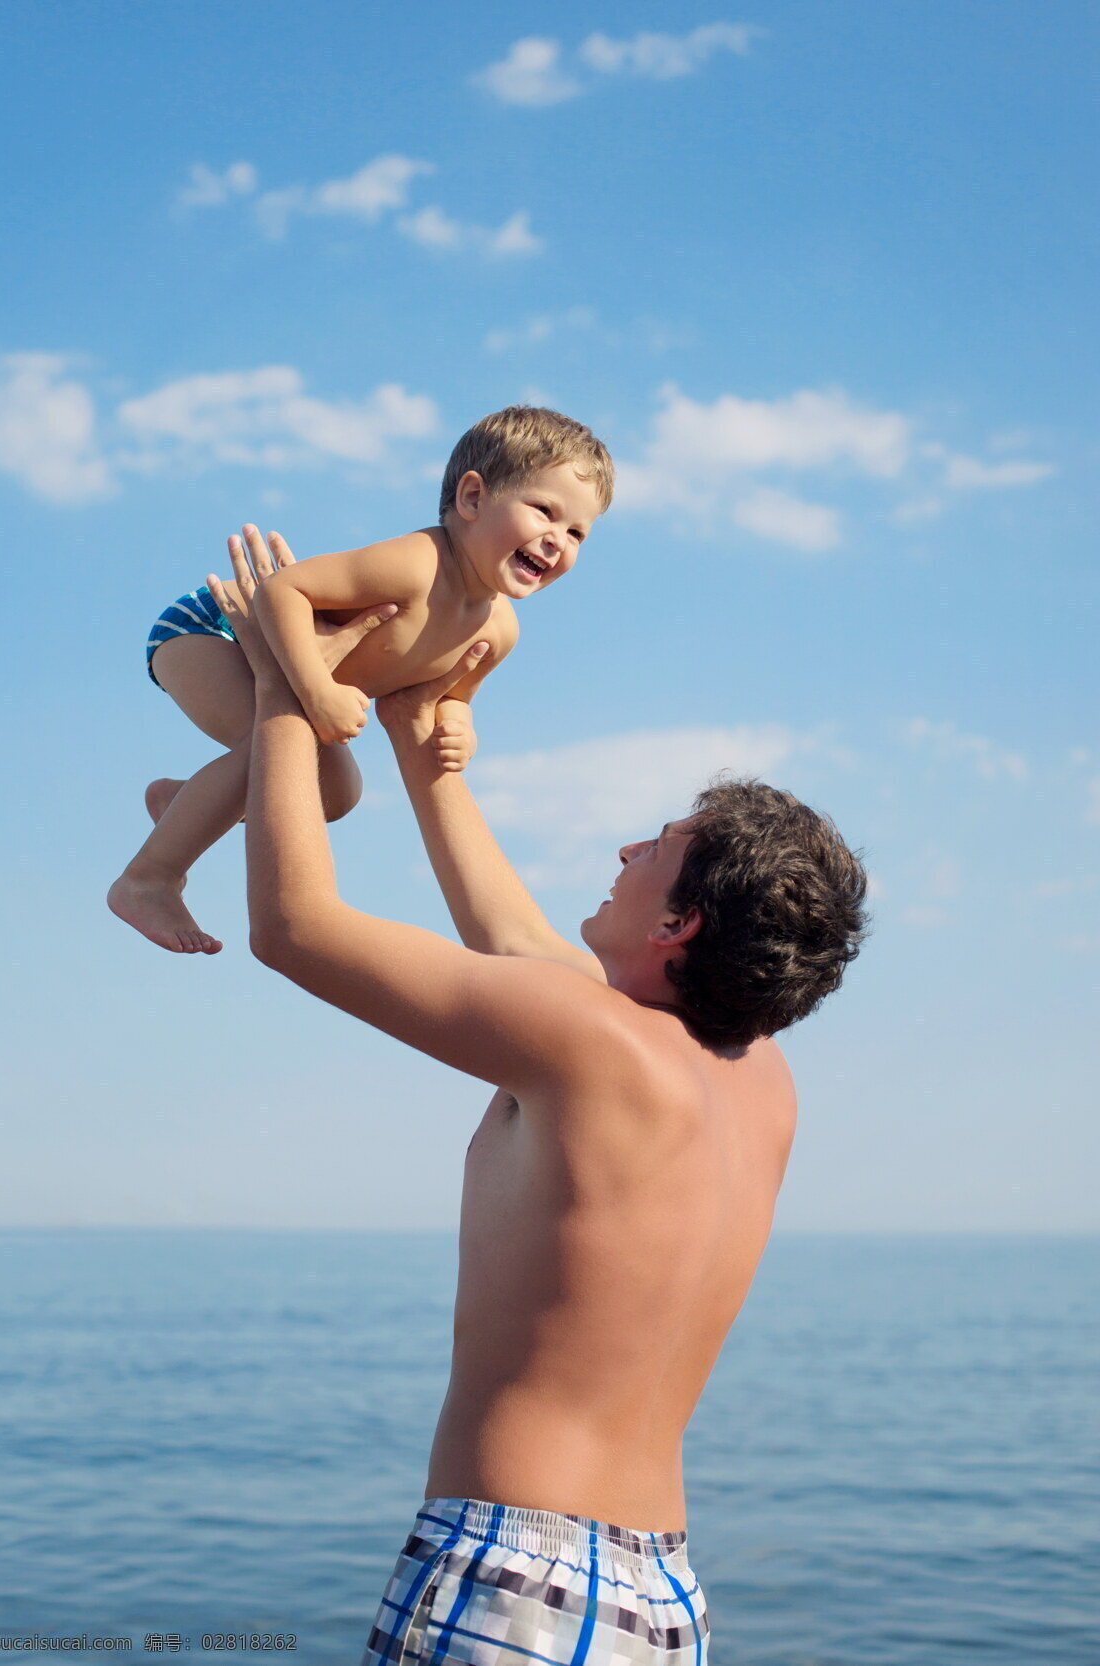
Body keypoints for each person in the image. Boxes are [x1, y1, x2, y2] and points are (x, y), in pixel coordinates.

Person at [208, 534, 870, 1664]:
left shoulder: (592, 1046)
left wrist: (283, 674)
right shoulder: (756, 1081)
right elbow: (518, 947)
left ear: (678, 925)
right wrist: (432, 757)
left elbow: (295, 928)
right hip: (659, 1596)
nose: (624, 846)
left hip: (512, 1580)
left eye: (656, 846)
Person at [107, 404, 612, 955]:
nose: (558, 540)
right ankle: (148, 878)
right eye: (543, 511)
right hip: (217, 627)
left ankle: (189, 806)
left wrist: (459, 726)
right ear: (472, 499)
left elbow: (456, 696)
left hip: (282, 664)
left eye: (578, 533)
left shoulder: (498, 630)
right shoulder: (418, 564)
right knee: (267, 745)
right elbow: (283, 592)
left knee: (335, 793)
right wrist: (317, 691)